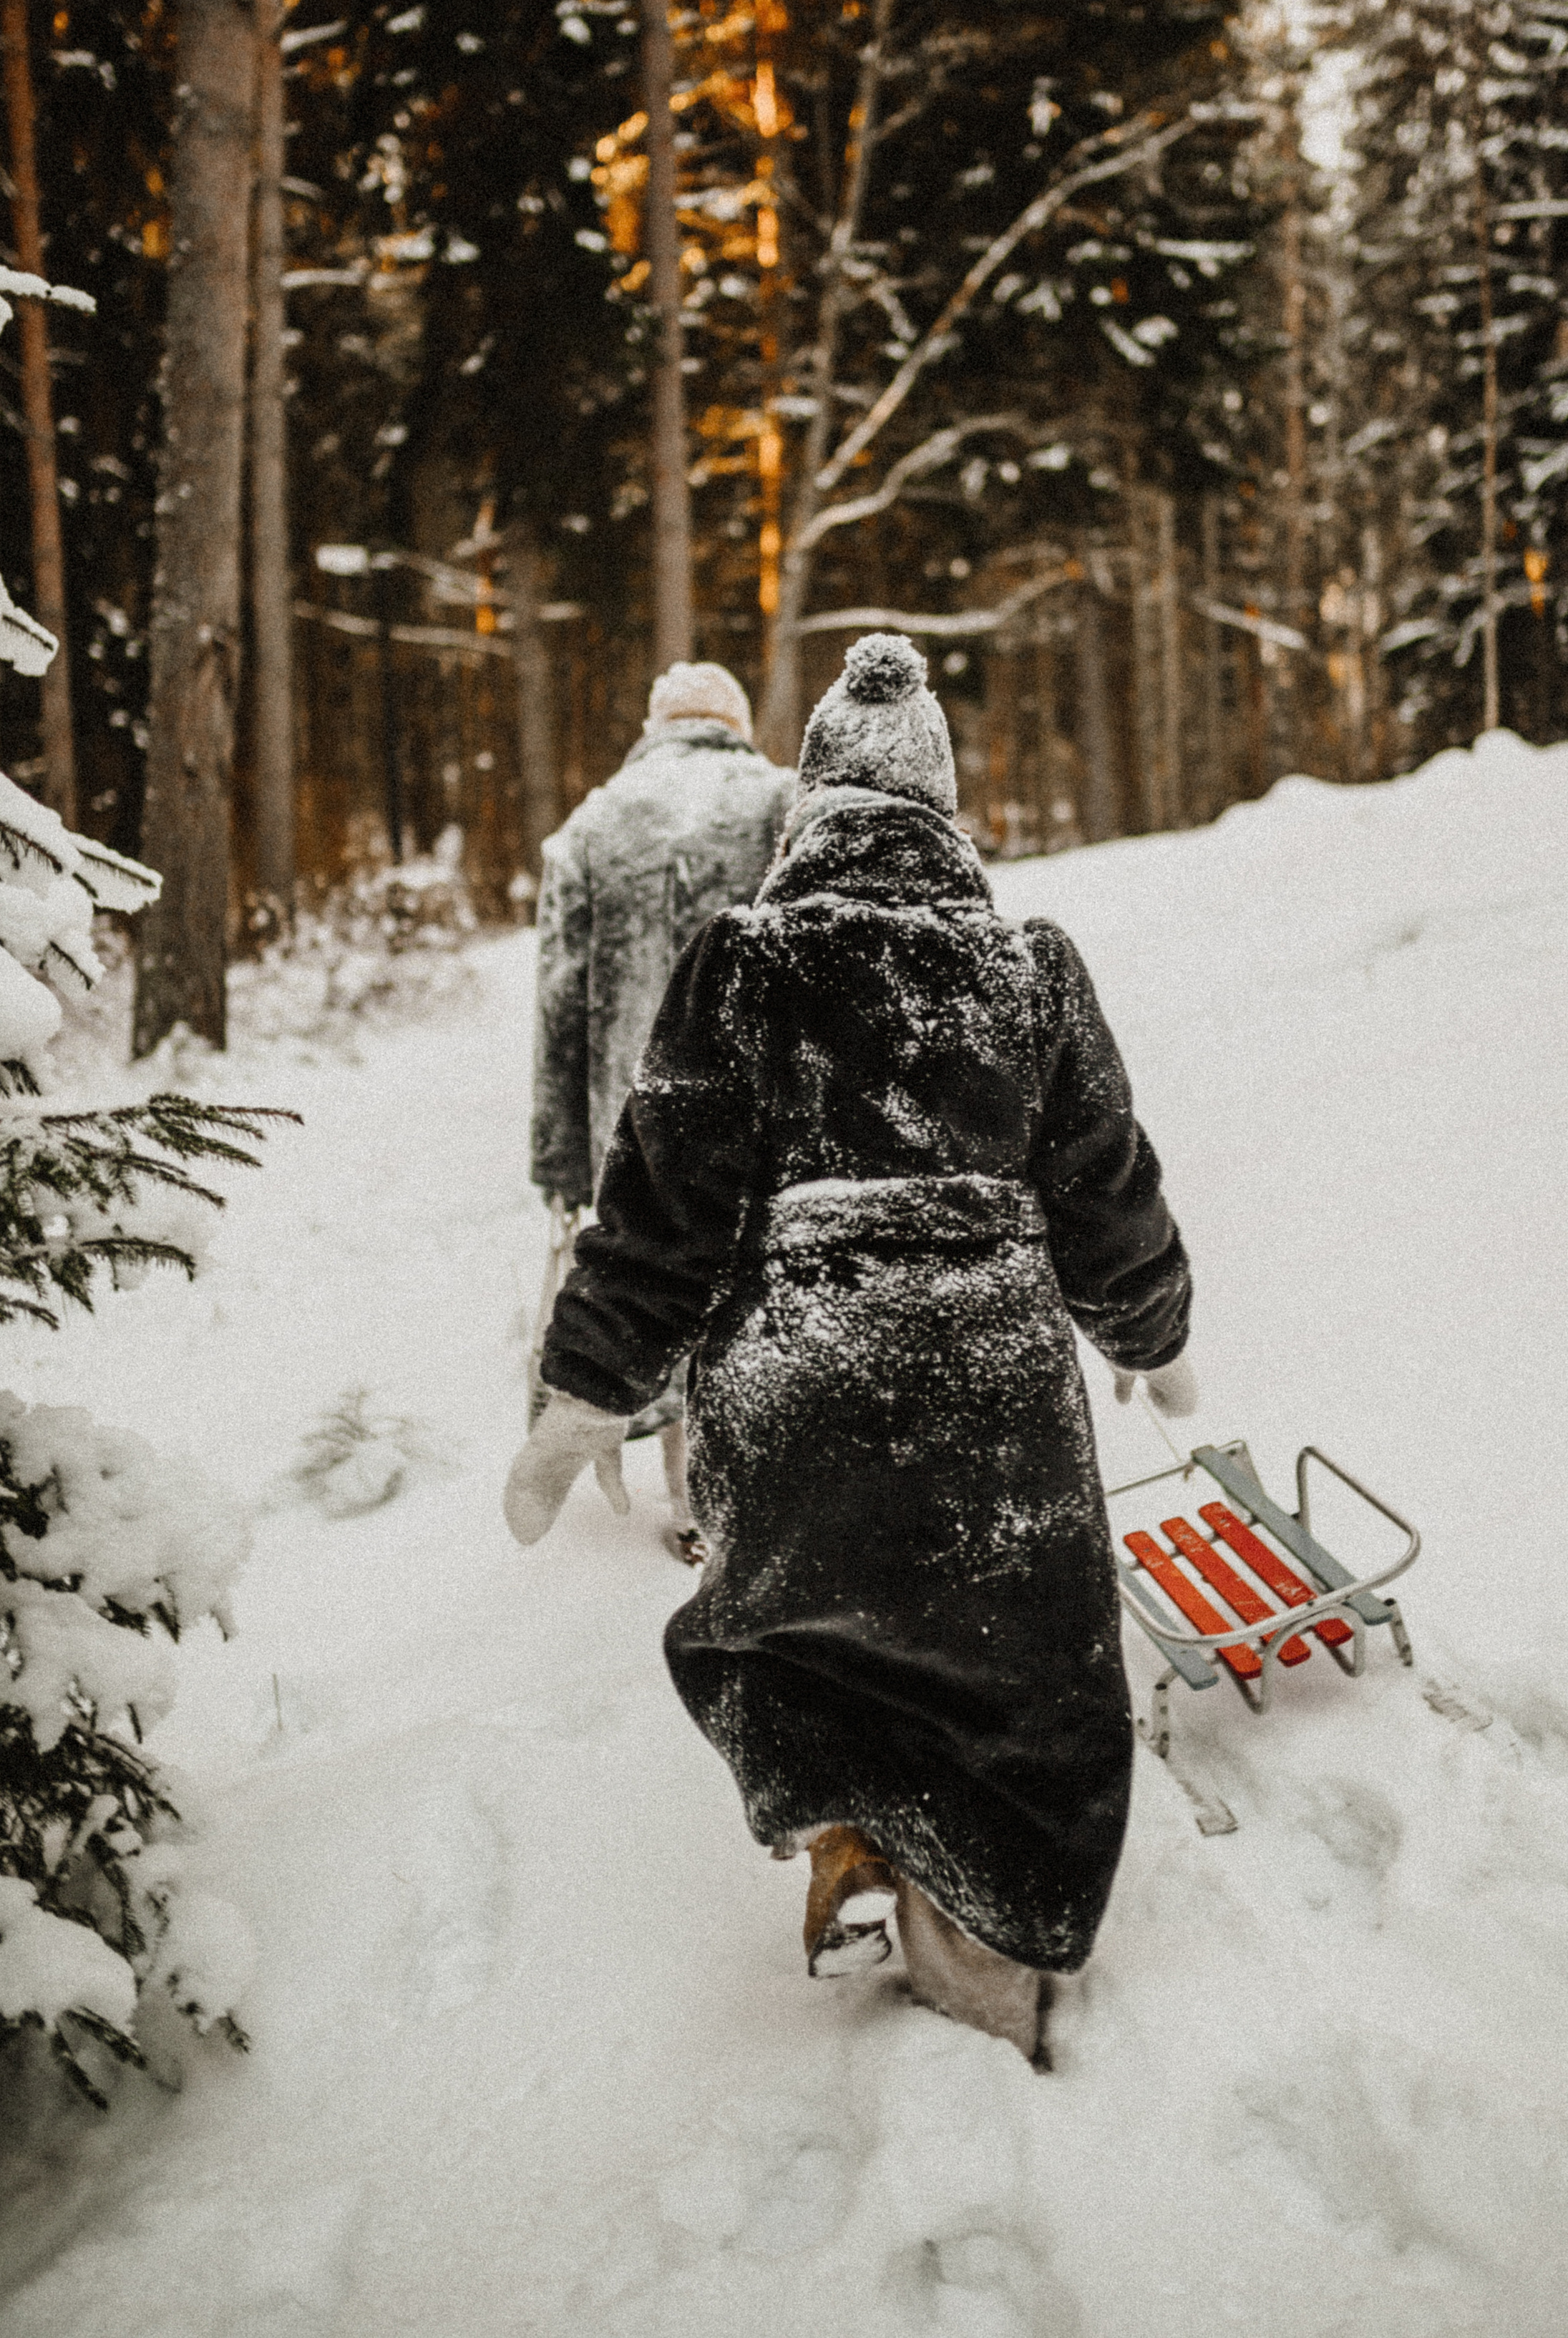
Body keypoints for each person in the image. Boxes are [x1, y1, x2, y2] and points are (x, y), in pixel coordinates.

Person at [522, 633, 1194, 2062]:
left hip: (795, 1384)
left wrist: (585, 1389)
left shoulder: (744, 965)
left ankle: (849, 1834)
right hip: (994, 1391)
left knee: (809, 1642)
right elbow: (1104, 1184)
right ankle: (981, 1986)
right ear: (942, 814)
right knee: (1012, 1688)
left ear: (809, 809)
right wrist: (1150, 1326)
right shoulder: (1025, 970)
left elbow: (660, 1206)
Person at [507, 660, 794, 1552]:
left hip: (629, 1118)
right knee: (760, 1279)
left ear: (656, 724)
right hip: (766, 1105)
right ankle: (759, 1483)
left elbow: (558, 1006)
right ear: (736, 723)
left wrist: (558, 1163)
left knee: (656, 1276)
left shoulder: (594, 826)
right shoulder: (783, 803)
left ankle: (686, 1494)